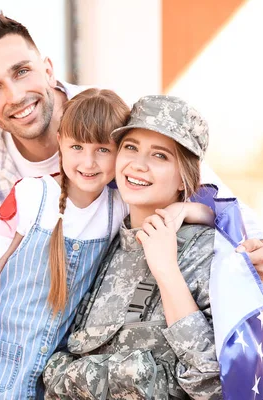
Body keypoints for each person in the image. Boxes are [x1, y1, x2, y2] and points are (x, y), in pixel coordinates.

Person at [0, 11, 263, 286]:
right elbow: (7, 278)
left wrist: (262, 245)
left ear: (47, 69)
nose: (15, 95)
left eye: (22, 71)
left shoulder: (116, 117)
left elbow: (202, 186)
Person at [0, 89, 214, 400]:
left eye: (103, 150)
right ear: (61, 145)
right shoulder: (39, 198)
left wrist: (187, 210)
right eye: (131, 148)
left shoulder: (121, 208)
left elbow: (214, 205)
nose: (89, 161)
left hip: (40, 378)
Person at [43, 95, 224, 399]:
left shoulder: (207, 253)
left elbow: (212, 384)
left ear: (184, 179)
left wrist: (166, 271)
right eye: (130, 147)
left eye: (160, 156)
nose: (138, 165)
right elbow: (55, 362)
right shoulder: (105, 239)